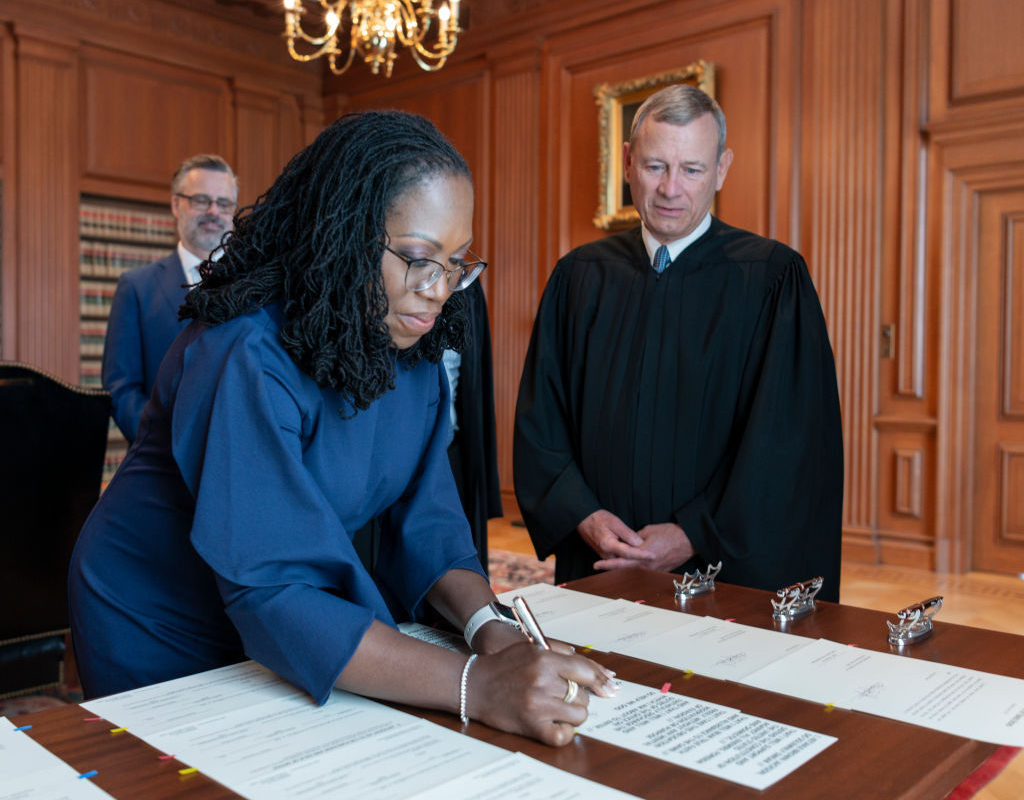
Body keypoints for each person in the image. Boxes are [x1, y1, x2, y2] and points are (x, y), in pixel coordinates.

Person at [69, 110, 615, 747]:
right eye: (417, 258)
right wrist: (479, 684)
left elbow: (429, 520)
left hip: (286, 610)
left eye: (456, 262)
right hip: (160, 612)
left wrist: (491, 632)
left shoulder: (410, 348)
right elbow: (274, 589)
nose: (439, 290)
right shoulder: (246, 353)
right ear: (347, 237)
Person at [513, 84, 844, 601]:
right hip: (599, 557)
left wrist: (695, 532)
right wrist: (584, 515)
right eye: (654, 166)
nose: (671, 188)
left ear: (721, 169)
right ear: (626, 162)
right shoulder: (579, 277)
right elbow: (542, 420)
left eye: (691, 169)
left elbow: (788, 442)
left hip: (722, 570)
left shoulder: (772, 278)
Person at [101, 154, 238, 442]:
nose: (214, 211)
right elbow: (120, 387)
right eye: (201, 200)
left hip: (238, 464)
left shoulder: (255, 286)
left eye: (224, 203)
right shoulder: (137, 288)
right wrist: (159, 444)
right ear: (176, 205)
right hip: (162, 467)